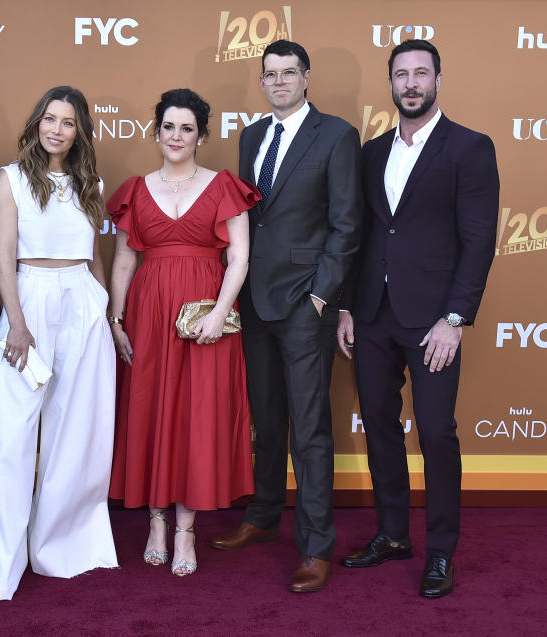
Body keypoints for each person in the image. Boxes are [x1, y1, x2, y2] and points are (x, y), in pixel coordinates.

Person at [337, 39, 499, 599]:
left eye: (421, 74)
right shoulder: (372, 152)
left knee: (435, 433)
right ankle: (391, 535)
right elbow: (362, 239)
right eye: (401, 74)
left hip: (434, 320)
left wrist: (454, 318)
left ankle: (440, 552)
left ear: (438, 80)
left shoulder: (470, 148)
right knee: (380, 428)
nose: (411, 83)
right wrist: (350, 308)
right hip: (374, 315)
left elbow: (479, 242)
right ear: (390, 83)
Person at [209, 40, 363, 594]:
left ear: (306, 77)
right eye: (269, 74)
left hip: (306, 301)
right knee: (267, 419)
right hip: (254, 298)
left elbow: (347, 224)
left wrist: (324, 296)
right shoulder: (252, 135)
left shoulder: (338, 135)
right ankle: (264, 513)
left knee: (311, 428)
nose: (278, 81)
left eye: (288, 73)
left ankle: (316, 545)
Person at [0, 86, 118, 601]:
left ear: (80, 132)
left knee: (75, 433)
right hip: (29, 301)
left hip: (82, 302)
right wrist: (16, 323)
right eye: (50, 119)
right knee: (11, 440)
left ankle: (64, 550)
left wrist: (105, 308)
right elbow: (5, 256)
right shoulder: (9, 179)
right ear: (37, 122)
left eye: (69, 122)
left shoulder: (89, 183)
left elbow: (95, 255)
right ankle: (1, 568)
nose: (57, 129)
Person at [108, 88, 258, 577]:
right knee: (150, 411)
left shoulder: (223, 186)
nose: (176, 136)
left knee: (196, 418)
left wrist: (220, 312)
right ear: (156, 132)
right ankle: (155, 521)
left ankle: (185, 529)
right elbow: (126, 259)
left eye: (186, 128)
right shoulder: (135, 188)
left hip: (203, 317)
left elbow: (239, 257)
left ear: (201, 136)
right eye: (168, 127)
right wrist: (117, 319)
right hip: (148, 316)